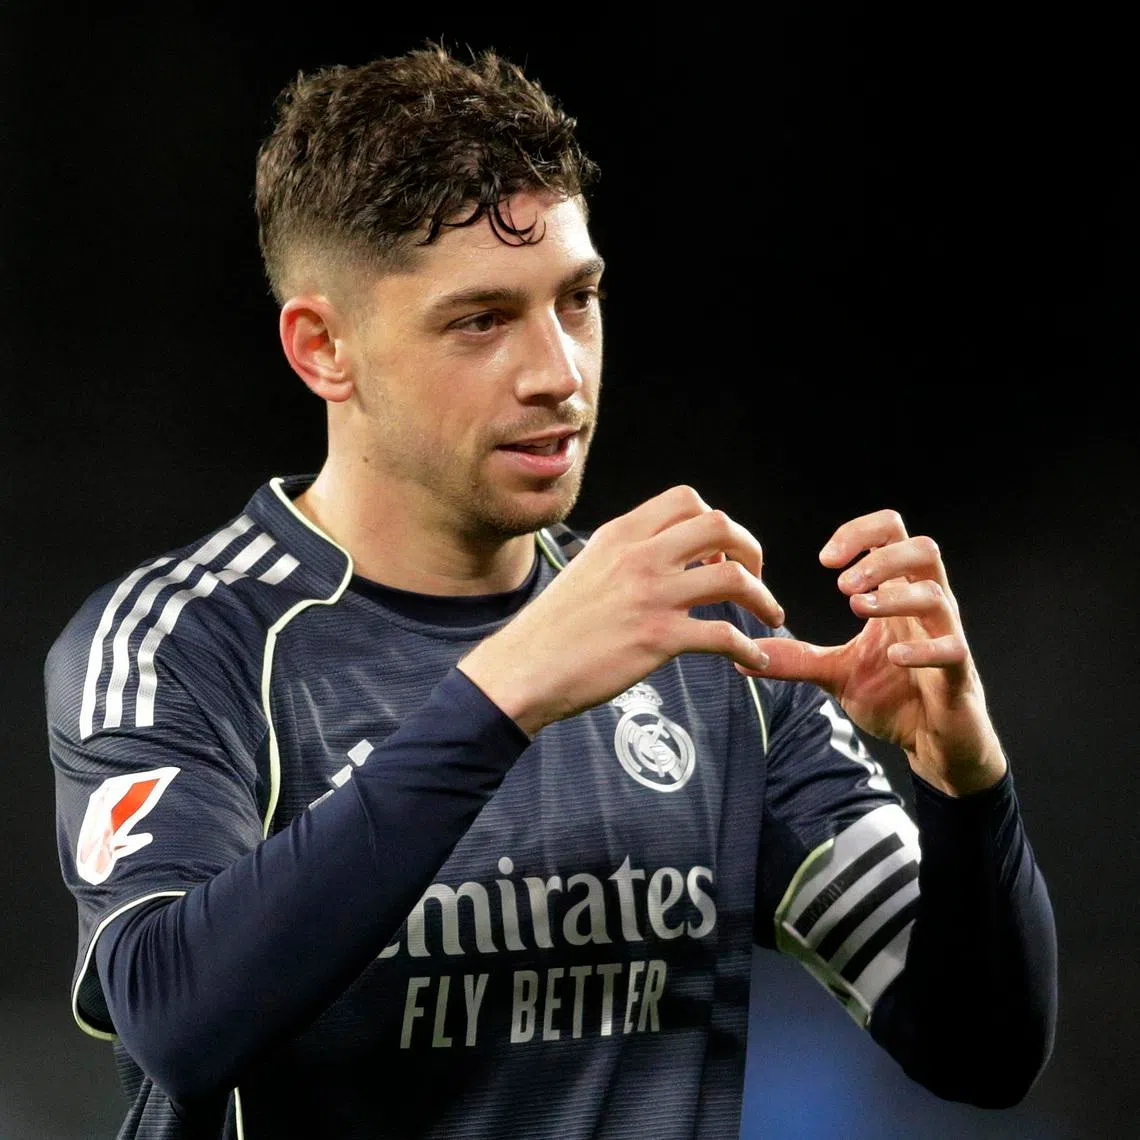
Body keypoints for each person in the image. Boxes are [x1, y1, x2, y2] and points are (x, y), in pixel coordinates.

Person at [46, 45, 1056, 1140]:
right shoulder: (187, 642)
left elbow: (982, 1049)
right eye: (482, 320)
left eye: (577, 300)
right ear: (323, 347)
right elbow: (175, 1020)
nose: (558, 373)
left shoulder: (703, 646)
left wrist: (968, 791)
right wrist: (504, 691)